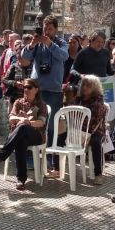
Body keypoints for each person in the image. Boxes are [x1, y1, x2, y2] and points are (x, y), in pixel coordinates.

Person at [21, 15, 69, 171]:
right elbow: (25, 58)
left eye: (49, 28)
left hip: (53, 91)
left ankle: (49, 159)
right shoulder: (37, 43)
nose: (46, 31)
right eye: (44, 28)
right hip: (37, 90)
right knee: (32, 123)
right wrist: (32, 45)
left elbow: (64, 56)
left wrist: (49, 43)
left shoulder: (61, 42)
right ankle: (31, 159)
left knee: (51, 127)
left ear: (55, 29)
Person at [0, 78, 49, 190]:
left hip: (36, 135)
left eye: (29, 87)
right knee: (21, 141)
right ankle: (21, 179)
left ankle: (2, 155)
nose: (26, 89)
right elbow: (11, 117)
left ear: (36, 90)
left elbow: (41, 122)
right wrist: (20, 118)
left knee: (23, 127)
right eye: (24, 87)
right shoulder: (18, 102)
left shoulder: (41, 105)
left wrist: (28, 122)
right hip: (19, 135)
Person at [74, 75, 108, 185]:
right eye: (84, 85)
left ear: (95, 87)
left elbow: (96, 120)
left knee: (96, 143)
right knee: (60, 136)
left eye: (88, 86)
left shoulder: (98, 100)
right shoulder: (78, 99)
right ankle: (57, 168)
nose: (85, 88)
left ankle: (98, 174)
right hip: (79, 129)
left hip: (94, 130)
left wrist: (85, 134)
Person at [2, 40, 32, 106]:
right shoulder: (14, 66)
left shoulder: (34, 67)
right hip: (15, 100)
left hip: (31, 101)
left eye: (22, 54)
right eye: (18, 54)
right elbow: (4, 80)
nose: (20, 56)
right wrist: (15, 83)